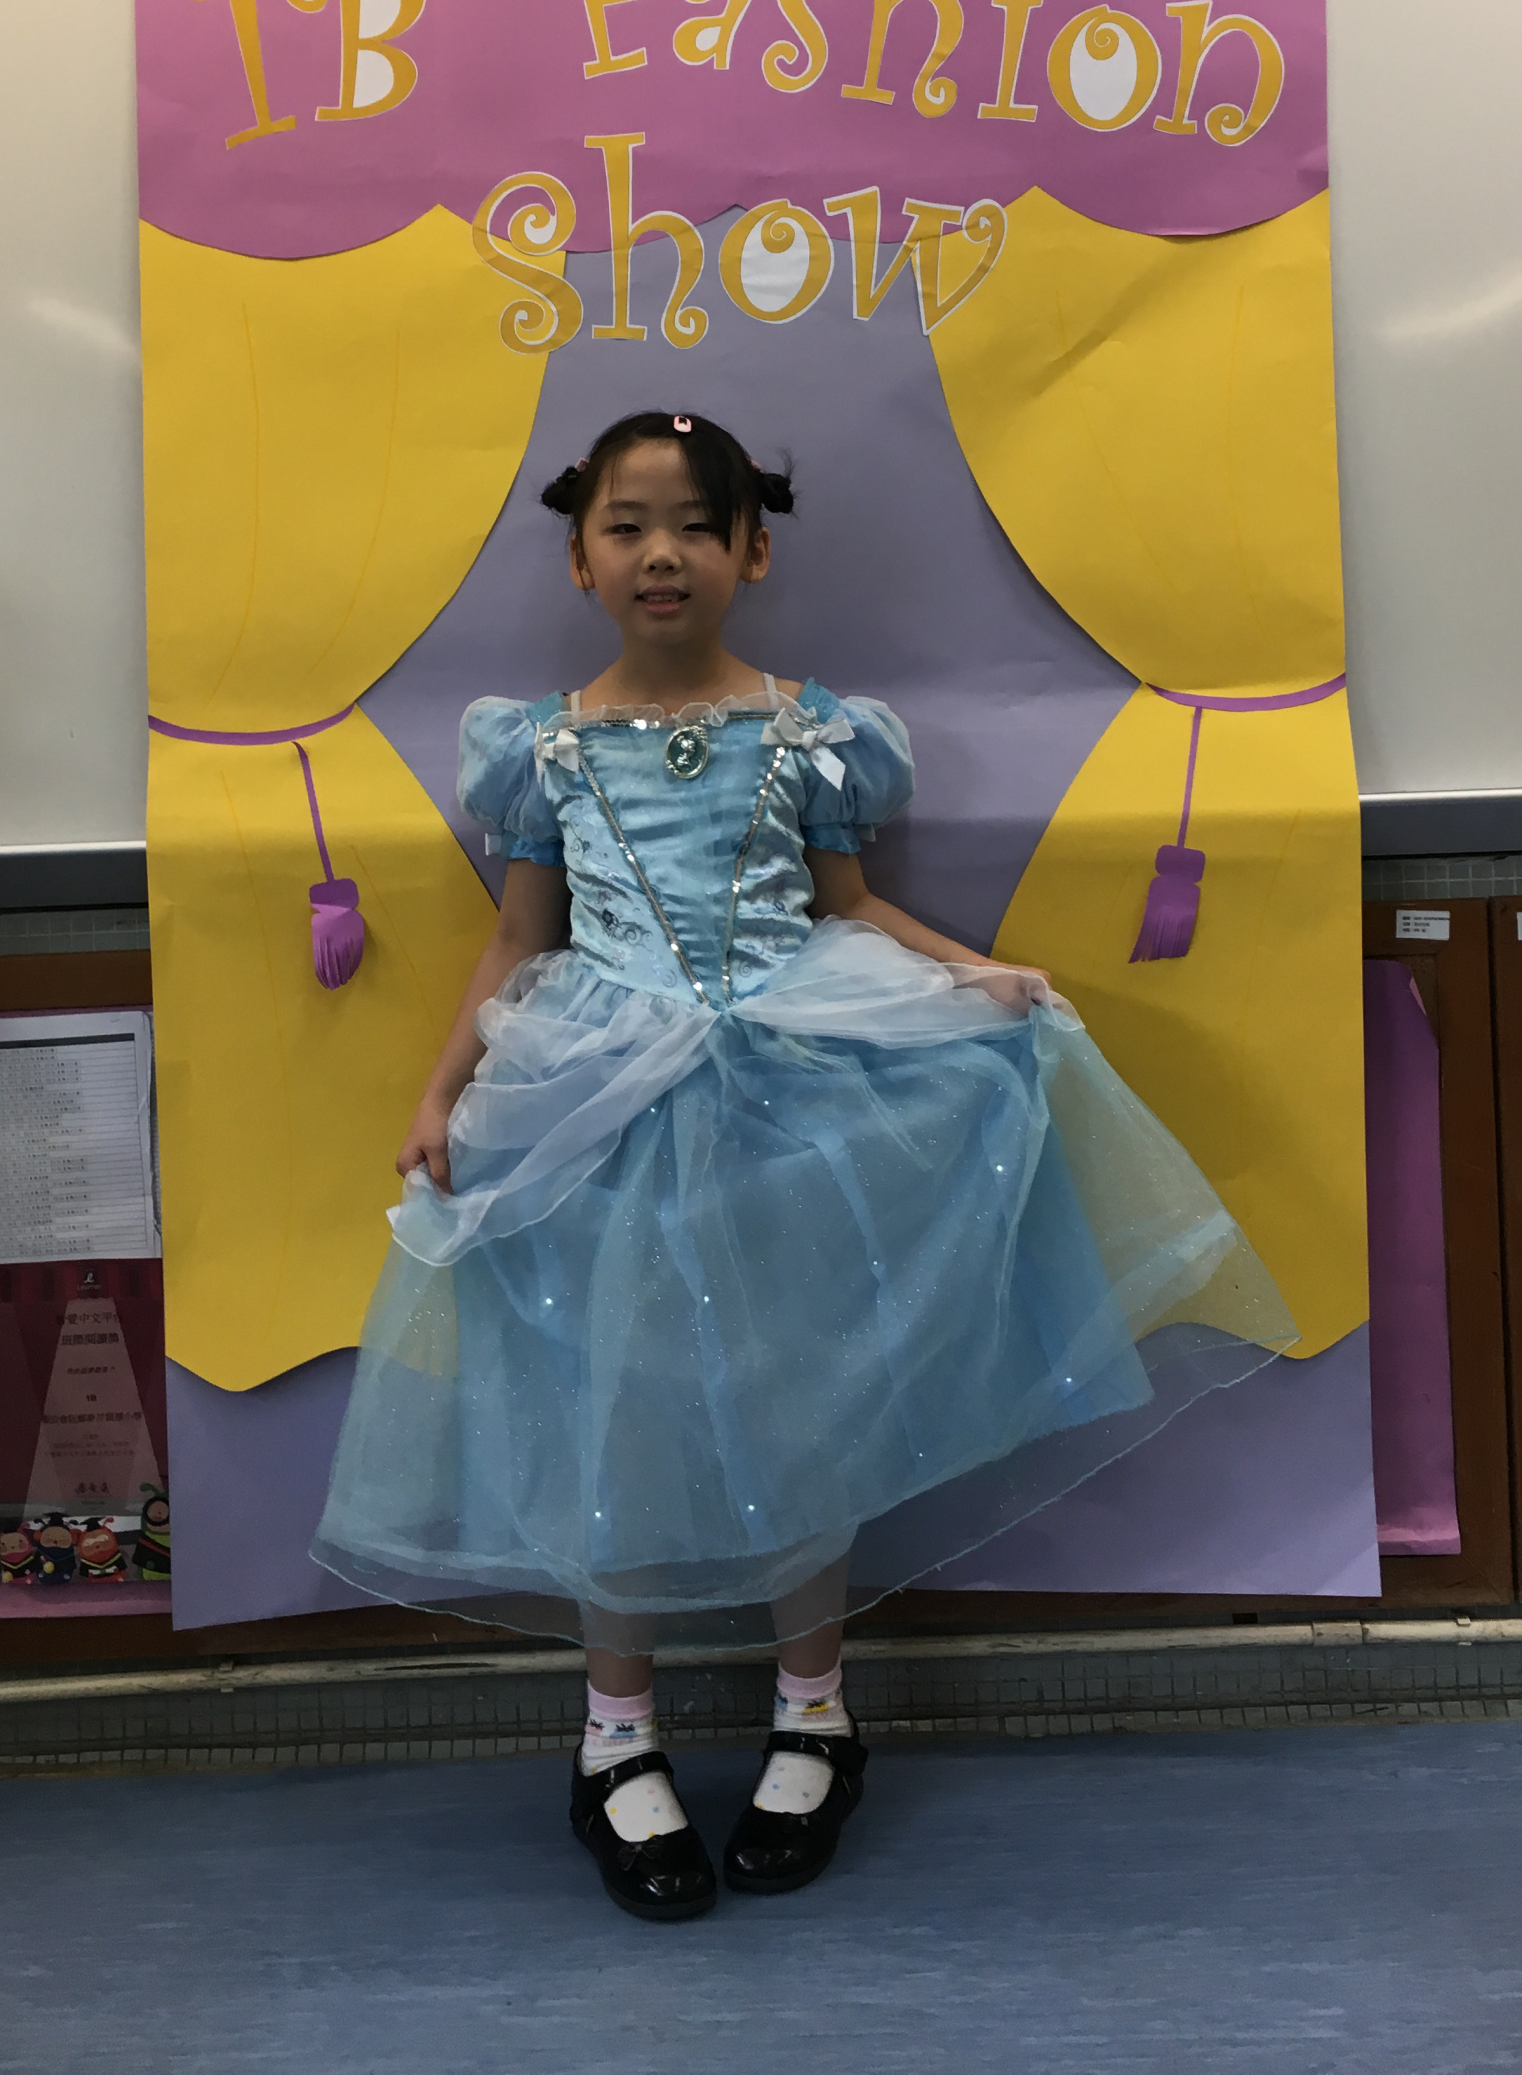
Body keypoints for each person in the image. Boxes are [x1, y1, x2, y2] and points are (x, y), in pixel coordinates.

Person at [315, 408, 1294, 1922]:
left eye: (696, 526)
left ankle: (816, 1714)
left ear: (752, 551)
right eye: (627, 526)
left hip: (795, 1091)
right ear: (580, 559)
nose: (662, 554)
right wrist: (444, 1091)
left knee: (800, 1403)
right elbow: (518, 938)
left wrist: (970, 972)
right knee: (616, 1413)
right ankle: (614, 1736)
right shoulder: (542, 748)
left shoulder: (812, 731)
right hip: (603, 1100)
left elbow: (845, 906)